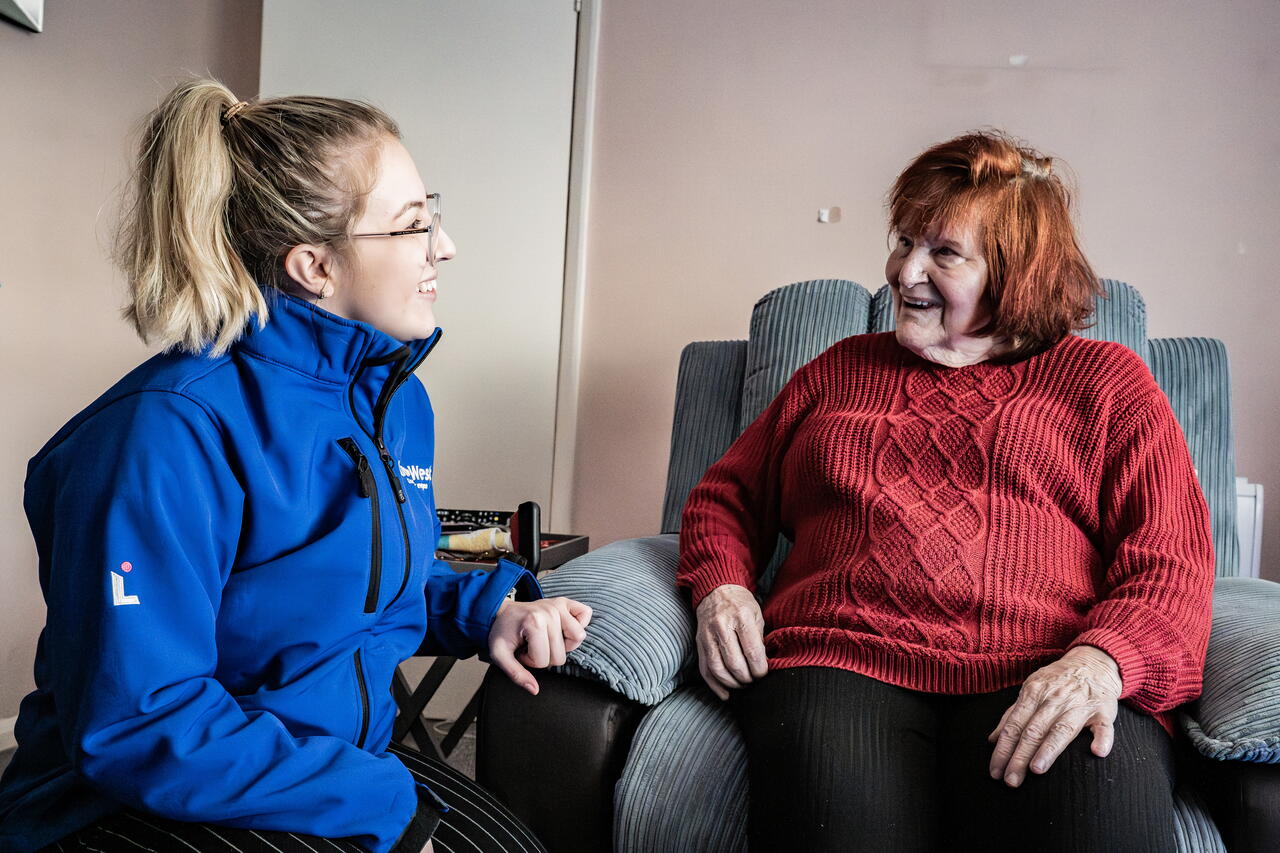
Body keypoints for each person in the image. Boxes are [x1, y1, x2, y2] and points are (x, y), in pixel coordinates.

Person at [0, 79, 590, 853]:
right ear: (315, 266)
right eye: (414, 224)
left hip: (316, 755)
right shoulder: (165, 432)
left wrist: (489, 612)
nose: (443, 247)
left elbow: (358, 585)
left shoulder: (394, 403)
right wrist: (378, 798)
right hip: (122, 800)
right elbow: (140, 721)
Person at [676, 131, 1215, 852]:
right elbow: (726, 498)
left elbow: (1172, 564)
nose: (905, 271)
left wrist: (1102, 662)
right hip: (843, 654)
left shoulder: (1107, 385)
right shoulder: (838, 371)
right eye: (904, 241)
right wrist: (722, 587)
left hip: (1049, 661)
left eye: (944, 253)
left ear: (1015, 274)